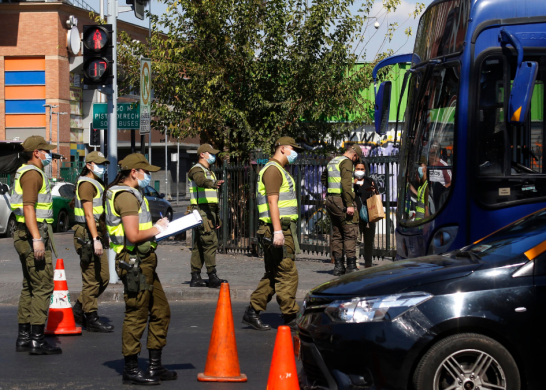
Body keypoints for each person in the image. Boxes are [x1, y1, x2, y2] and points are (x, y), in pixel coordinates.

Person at [104, 153, 177, 385]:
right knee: (136, 315)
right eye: (145, 171)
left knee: (161, 311)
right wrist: (157, 228)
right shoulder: (125, 197)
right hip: (134, 262)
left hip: (144, 262)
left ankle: (155, 366)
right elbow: (133, 235)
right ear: (133, 172)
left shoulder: (134, 194)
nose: (148, 175)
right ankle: (131, 369)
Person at [243, 137, 303, 331]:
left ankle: (252, 311)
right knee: (287, 272)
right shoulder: (273, 170)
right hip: (277, 229)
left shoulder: (278, 170)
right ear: (283, 148)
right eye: (294, 149)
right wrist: (278, 230)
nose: (296, 153)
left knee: (273, 273)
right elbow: (272, 202)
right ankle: (290, 316)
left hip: (280, 228)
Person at [11, 135, 61, 355]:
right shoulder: (32, 174)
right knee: (42, 286)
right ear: (36, 153)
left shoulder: (26, 171)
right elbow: (29, 207)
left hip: (25, 235)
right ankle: (37, 341)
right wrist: (37, 239)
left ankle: (24, 337)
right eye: (45, 150)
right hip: (33, 235)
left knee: (29, 286)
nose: (49, 154)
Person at [71, 151, 113, 333]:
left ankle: (80, 307)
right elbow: (89, 214)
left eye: (104, 164)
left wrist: (104, 235)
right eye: (99, 164)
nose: (103, 167)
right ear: (88, 165)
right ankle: (92, 317)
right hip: (87, 235)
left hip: (95, 232)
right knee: (91, 279)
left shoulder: (96, 183)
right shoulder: (86, 184)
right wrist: (96, 238)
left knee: (104, 277)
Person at [187, 144, 228, 288]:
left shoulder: (209, 171)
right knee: (210, 242)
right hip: (201, 210)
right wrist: (212, 183)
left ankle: (195, 276)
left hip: (208, 211)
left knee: (199, 244)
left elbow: (212, 199)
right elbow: (200, 181)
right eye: (211, 153)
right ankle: (212, 275)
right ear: (202, 154)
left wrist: (216, 216)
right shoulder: (197, 170)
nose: (214, 156)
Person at [321, 144, 362, 275]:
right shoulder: (347, 162)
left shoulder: (333, 161)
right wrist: (349, 204)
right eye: (356, 159)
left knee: (337, 233)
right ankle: (351, 265)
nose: (355, 162)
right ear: (354, 155)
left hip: (331, 200)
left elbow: (323, 178)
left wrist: (332, 190)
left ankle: (338, 267)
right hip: (341, 201)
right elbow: (346, 184)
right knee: (350, 231)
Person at [354, 162, 378, 268]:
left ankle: (368, 262)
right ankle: (355, 262)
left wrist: (374, 190)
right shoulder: (351, 182)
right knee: (356, 240)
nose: (360, 170)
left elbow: (377, 194)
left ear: (365, 170)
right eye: (358, 168)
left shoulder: (370, 181)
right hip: (356, 215)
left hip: (370, 215)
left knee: (369, 241)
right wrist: (353, 185)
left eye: (362, 169)